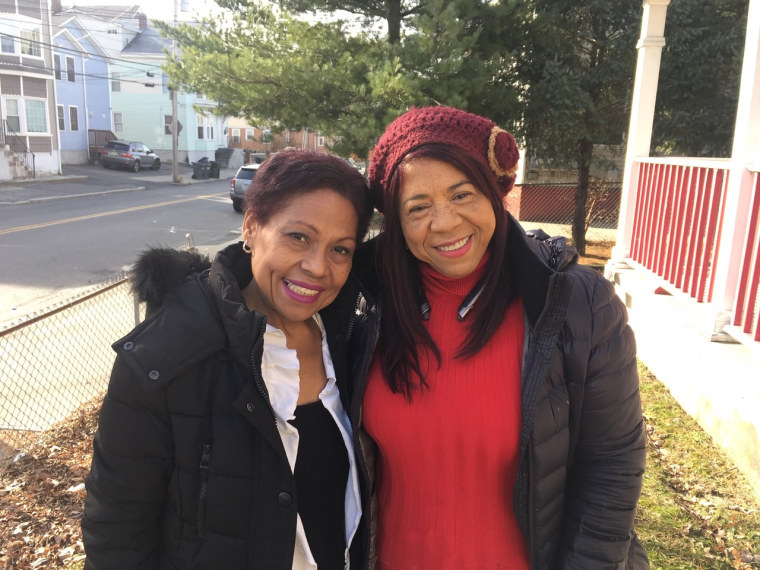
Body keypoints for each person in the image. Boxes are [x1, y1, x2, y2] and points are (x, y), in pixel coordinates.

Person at [348, 106, 649, 569]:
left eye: (462, 194)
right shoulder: (367, 304)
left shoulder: (577, 304)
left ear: (494, 194)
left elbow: (612, 465)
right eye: (418, 207)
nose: (444, 222)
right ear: (396, 222)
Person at [82, 149, 374, 569]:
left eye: (340, 250)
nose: (316, 267)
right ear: (252, 226)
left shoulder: (350, 343)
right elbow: (117, 534)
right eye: (298, 237)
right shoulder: (166, 358)